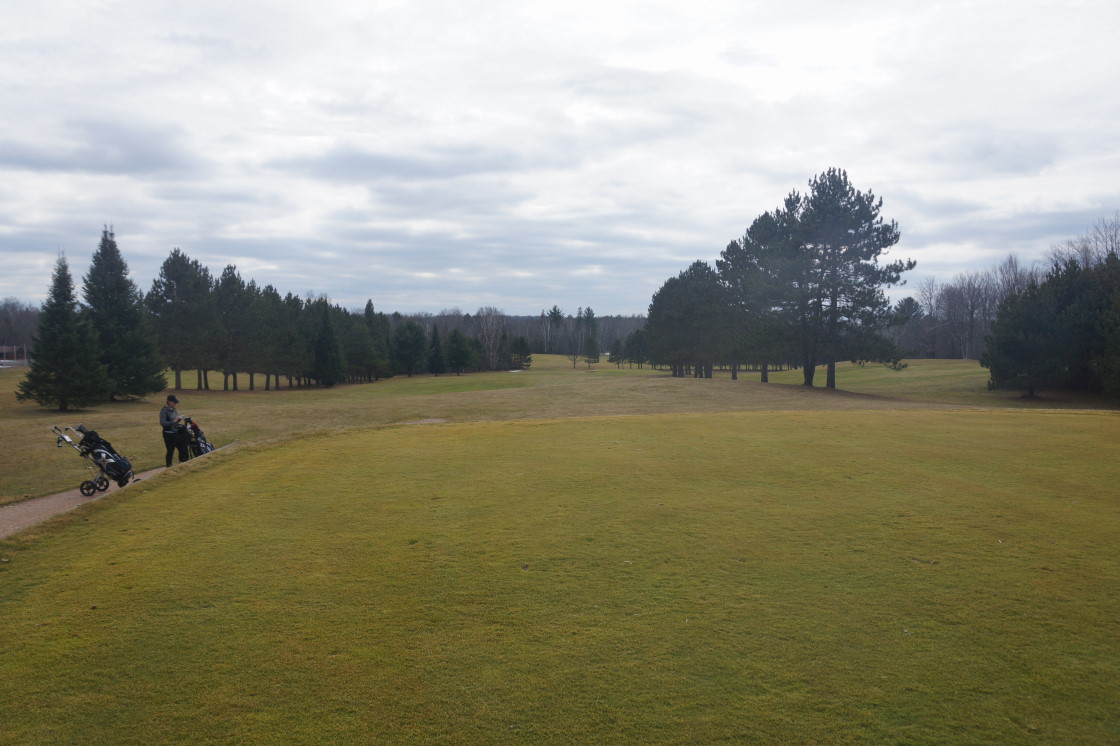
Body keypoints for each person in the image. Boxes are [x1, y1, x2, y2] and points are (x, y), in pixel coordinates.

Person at [160, 394, 189, 467]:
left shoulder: (174, 409)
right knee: (170, 451)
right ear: (169, 402)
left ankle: (182, 463)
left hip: (176, 432)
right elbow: (163, 423)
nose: (175, 404)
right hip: (168, 434)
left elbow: (175, 421)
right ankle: (168, 467)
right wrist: (174, 421)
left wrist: (178, 419)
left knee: (182, 449)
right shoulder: (164, 410)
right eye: (174, 402)